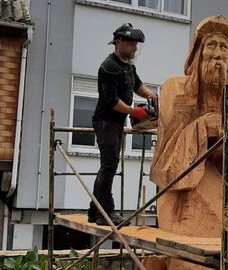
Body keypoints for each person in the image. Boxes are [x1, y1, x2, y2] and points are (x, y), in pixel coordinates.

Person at [148, 16, 228, 269]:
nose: (218, 55)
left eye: (224, 48)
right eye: (211, 46)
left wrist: (227, 135)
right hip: (178, 184)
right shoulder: (176, 88)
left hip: (214, 175)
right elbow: (166, 151)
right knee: (191, 253)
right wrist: (204, 127)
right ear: (198, 53)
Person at [88, 23, 157, 226]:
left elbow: (137, 85)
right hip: (105, 121)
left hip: (116, 121)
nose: (135, 48)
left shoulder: (127, 65)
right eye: (131, 44)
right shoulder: (108, 67)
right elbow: (110, 100)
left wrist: (150, 95)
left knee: (107, 166)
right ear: (119, 42)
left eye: (136, 45)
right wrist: (134, 111)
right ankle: (106, 213)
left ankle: (94, 211)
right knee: (109, 165)